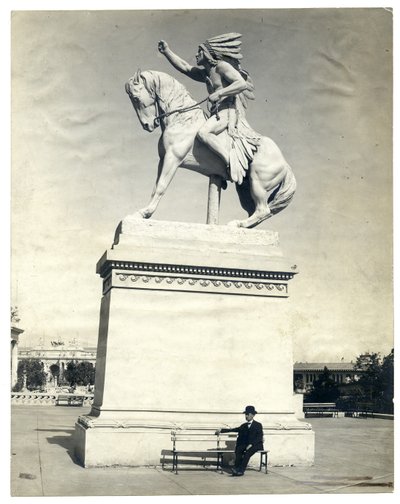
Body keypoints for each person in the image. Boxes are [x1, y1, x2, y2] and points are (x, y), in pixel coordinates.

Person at [158, 34, 261, 184]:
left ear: (207, 54)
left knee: (203, 132)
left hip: (228, 111)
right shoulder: (206, 73)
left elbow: (241, 83)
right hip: (216, 114)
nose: (196, 55)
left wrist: (219, 93)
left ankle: (231, 162)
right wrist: (167, 51)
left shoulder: (222, 67)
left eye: (199, 51)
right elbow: (185, 67)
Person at [215, 405, 264, 476]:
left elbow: (259, 437)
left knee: (247, 453)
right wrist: (221, 430)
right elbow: (235, 429)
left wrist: (251, 444)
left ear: (253, 415)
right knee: (239, 450)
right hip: (247, 445)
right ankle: (236, 469)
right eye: (245, 414)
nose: (246, 416)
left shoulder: (258, 425)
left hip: (256, 445)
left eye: (248, 414)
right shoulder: (244, 425)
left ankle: (241, 471)